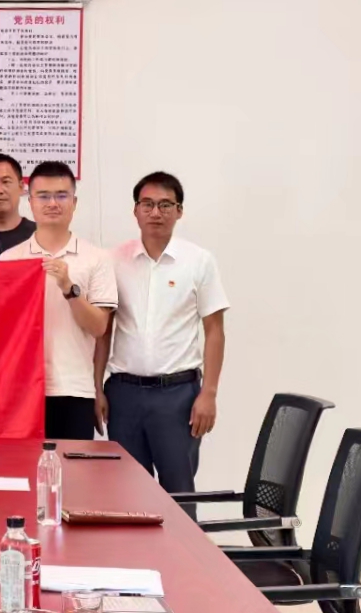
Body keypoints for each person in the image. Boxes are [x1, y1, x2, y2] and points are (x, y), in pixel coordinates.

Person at [94, 172, 229, 496]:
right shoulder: (114, 260)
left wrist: (209, 393)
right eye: (148, 204)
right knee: (127, 493)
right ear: (135, 210)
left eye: (166, 205)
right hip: (124, 394)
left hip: (178, 396)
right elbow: (103, 331)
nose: (156, 212)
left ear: (179, 211)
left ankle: (182, 536)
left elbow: (214, 330)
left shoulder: (198, 261)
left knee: (178, 493)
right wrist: (96, 388)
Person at [0, 161, 116, 440]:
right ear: (30, 202)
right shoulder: (9, 259)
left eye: (62, 195)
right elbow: (1, 329)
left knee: (71, 467)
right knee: (22, 465)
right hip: (21, 388)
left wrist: (69, 288)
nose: (53, 203)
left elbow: (99, 327)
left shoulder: (97, 258)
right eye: (43, 196)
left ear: (74, 203)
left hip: (74, 388)